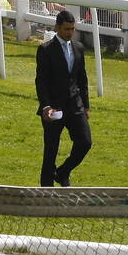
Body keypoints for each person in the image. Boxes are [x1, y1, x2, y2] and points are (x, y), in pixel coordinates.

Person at [35, 10, 92, 186]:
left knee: (85, 142)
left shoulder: (78, 48)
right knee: (51, 149)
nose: (70, 33)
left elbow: (82, 78)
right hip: (54, 107)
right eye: (66, 29)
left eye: (72, 29)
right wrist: (46, 107)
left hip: (75, 104)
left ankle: (63, 172)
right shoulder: (46, 49)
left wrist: (86, 106)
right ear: (57, 27)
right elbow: (41, 81)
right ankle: (46, 190)